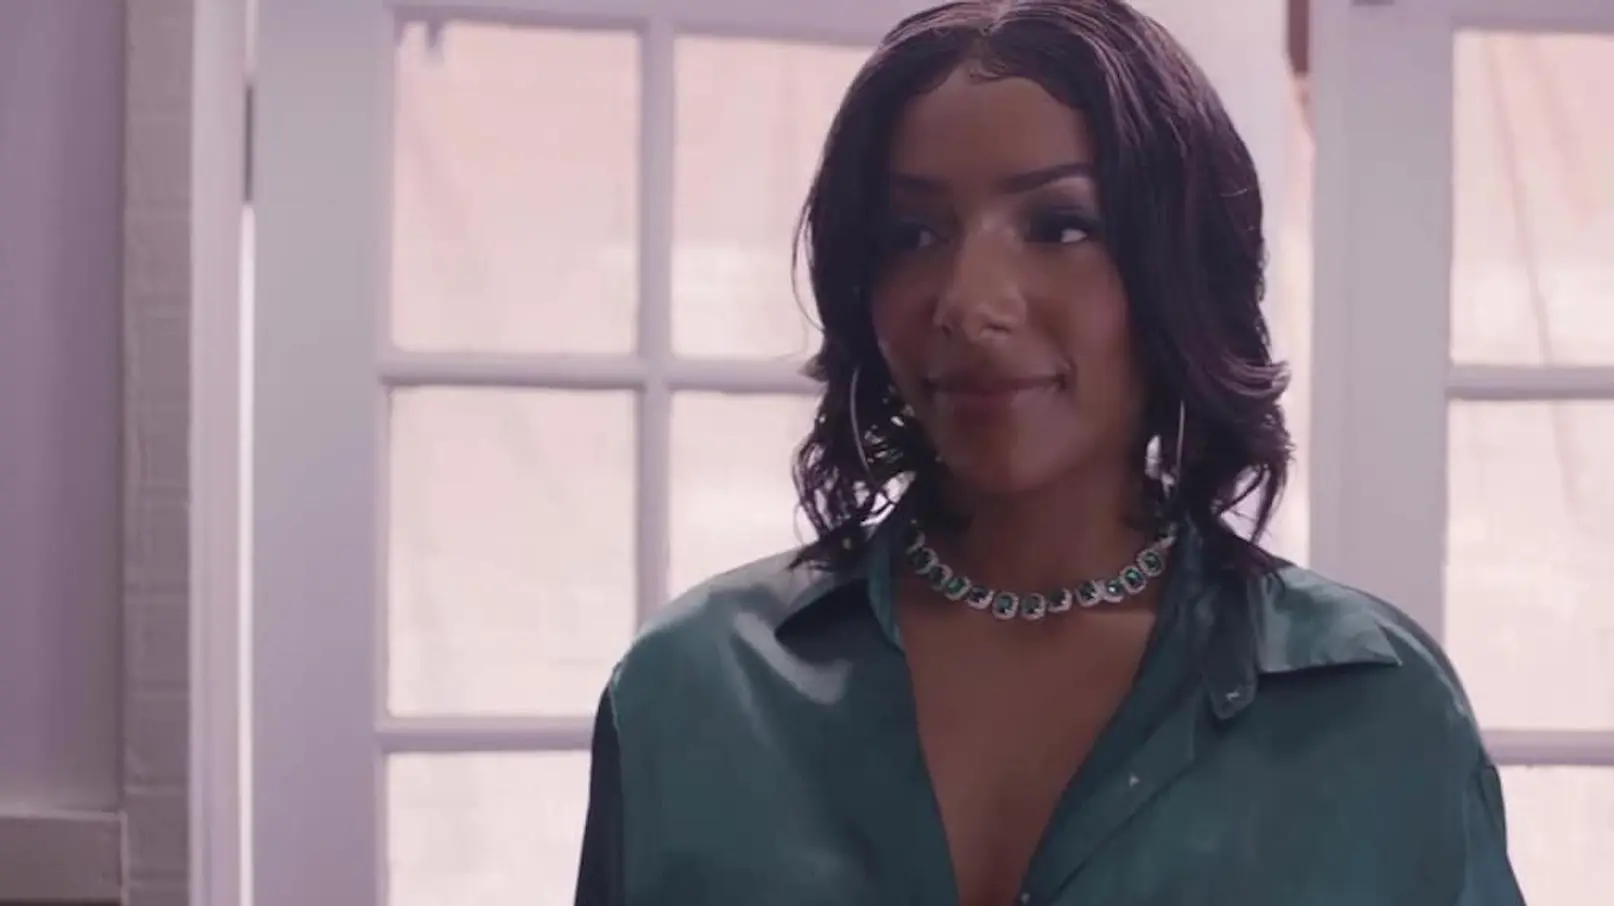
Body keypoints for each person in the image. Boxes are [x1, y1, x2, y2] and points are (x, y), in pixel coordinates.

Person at [574, 2, 1527, 904]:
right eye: (912, 234)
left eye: (1060, 227)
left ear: (1181, 267)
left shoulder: (1373, 706)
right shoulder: (695, 689)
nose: (968, 302)